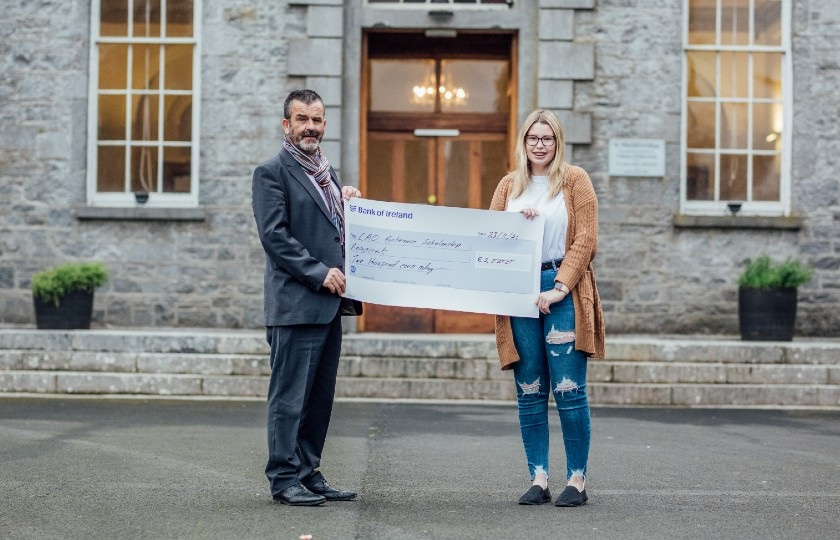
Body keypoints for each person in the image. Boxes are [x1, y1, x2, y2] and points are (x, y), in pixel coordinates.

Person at [490, 109, 605, 507]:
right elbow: (489, 238)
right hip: (518, 292)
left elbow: (586, 240)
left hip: (563, 291)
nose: (540, 145)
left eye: (547, 138)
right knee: (530, 389)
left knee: (569, 389)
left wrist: (559, 288)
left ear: (558, 142)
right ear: (523, 142)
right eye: (533, 138)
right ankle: (538, 478)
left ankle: (577, 479)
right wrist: (517, 224)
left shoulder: (575, 181)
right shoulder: (509, 186)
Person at [251, 89, 361, 506]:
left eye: (316, 120)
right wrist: (319, 273)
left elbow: (330, 229)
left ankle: (308, 471)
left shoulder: (327, 174)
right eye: (302, 119)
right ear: (287, 125)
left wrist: (349, 204)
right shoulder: (272, 172)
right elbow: (274, 237)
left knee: (318, 398)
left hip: (328, 307)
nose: (310, 127)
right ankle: (283, 479)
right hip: (295, 305)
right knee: (289, 397)